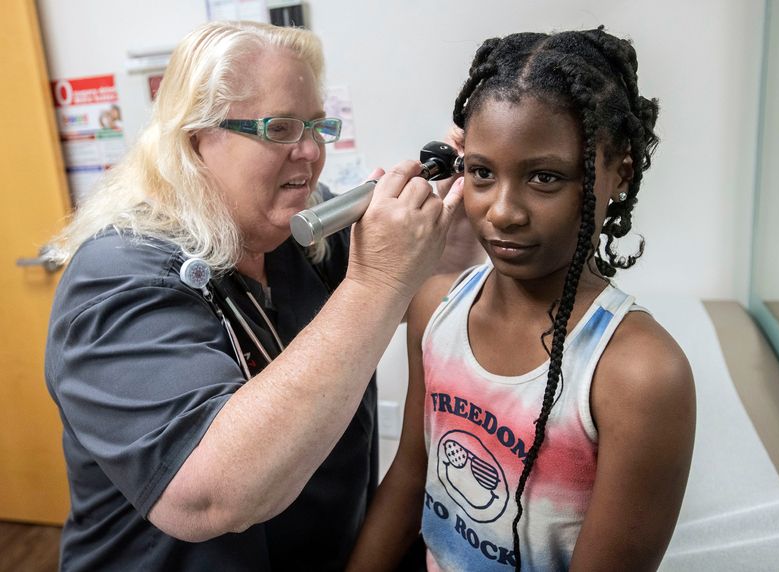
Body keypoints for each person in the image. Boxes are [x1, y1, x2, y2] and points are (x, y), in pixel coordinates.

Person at [44, 21, 464, 571]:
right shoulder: (114, 277)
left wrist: (463, 193)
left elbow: (432, 277)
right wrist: (377, 280)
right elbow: (211, 495)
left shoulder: (296, 235)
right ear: (196, 140)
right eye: (281, 127)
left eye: (317, 125)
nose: (311, 152)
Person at [347, 27, 696, 571]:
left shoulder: (640, 376)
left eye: (544, 177)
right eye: (482, 172)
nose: (503, 211)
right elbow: (411, 477)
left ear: (619, 172)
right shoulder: (434, 308)